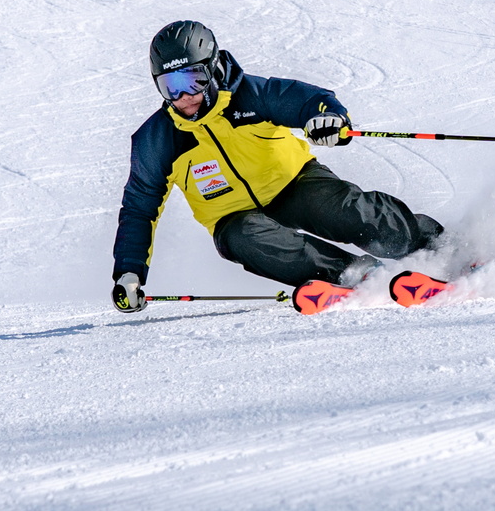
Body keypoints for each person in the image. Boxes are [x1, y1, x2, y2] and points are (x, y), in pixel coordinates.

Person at [111, 20, 444, 312]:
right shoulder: (156, 140)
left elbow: (308, 100)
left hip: (295, 184)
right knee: (246, 239)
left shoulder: (250, 95)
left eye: (194, 80)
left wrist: (326, 117)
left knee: (342, 212)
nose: (185, 96)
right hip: (234, 219)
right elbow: (140, 209)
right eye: (171, 86)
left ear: (212, 68)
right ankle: (355, 276)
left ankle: (437, 245)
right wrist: (129, 271)